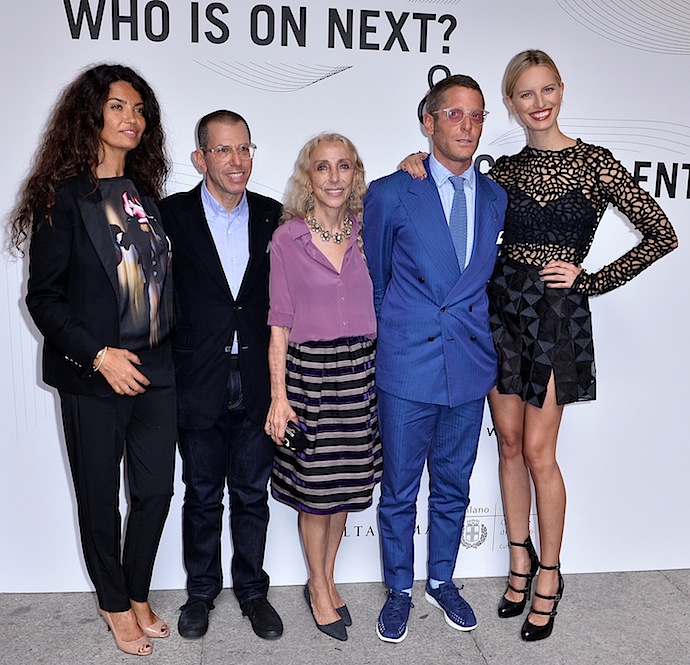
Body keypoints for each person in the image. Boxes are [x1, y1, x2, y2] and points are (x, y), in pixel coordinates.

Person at [400, 50, 678, 641]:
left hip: (555, 317)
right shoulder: (501, 170)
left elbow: (662, 233)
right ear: (511, 103)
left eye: (547, 89)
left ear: (561, 90)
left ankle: (549, 575)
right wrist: (415, 163)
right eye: (525, 94)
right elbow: (451, 184)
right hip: (500, 314)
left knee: (537, 451)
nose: (539, 103)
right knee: (507, 444)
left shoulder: (596, 163)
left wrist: (591, 280)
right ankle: (518, 564)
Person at [12, 64, 175, 656]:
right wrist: (99, 355)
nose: (132, 118)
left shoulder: (145, 197)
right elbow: (43, 298)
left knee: (156, 492)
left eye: (139, 109)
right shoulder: (63, 198)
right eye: (117, 107)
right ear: (91, 116)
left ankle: (136, 589)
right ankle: (115, 602)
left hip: (156, 369)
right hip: (96, 374)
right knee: (100, 497)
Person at [363, 75, 507, 643]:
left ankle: (441, 579)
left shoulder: (495, 197)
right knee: (399, 489)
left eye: (477, 115)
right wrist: (396, 341)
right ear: (428, 122)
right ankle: (399, 588)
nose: (467, 126)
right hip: (407, 365)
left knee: (453, 485)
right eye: (454, 114)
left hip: (468, 365)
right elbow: (377, 280)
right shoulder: (392, 192)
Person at [159, 111, 283, 641]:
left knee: (253, 493)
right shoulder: (169, 216)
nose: (237, 161)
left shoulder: (275, 216)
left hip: (257, 376)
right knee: (203, 493)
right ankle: (201, 593)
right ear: (200, 158)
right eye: (223, 150)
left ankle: (253, 591)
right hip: (196, 375)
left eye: (244, 149)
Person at [265, 133, 381, 643]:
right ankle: (317, 586)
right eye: (323, 167)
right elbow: (279, 324)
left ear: (355, 174)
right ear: (307, 177)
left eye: (344, 166)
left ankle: (329, 578)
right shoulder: (287, 239)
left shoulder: (366, 232)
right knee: (316, 494)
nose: (334, 177)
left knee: (344, 490)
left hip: (360, 373)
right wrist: (279, 397)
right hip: (310, 375)